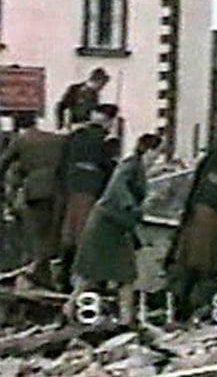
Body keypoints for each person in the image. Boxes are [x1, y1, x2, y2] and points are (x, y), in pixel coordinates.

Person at [64, 134, 161, 327]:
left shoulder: (137, 167)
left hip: (115, 226)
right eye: (157, 152)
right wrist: (133, 207)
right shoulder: (130, 166)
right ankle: (71, 307)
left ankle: (125, 318)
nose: (157, 156)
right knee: (95, 272)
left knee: (123, 274)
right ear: (148, 150)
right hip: (107, 226)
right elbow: (119, 187)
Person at [168, 117, 217, 320]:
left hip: (200, 206)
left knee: (192, 263)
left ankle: (182, 308)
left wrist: (187, 210)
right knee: (211, 266)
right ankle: (198, 310)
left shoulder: (216, 149)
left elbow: (198, 177)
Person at [56, 103, 119, 291]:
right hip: (91, 192)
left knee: (70, 235)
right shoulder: (105, 142)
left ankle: (64, 277)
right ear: (108, 122)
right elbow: (108, 170)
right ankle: (91, 281)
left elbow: (62, 164)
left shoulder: (75, 137)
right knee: (89, 237)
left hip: (71, 189)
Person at [0, 113, 65, 287]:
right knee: (53, 233)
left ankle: (37, 273)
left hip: (36, 190)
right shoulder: (56, 139)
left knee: (36, 233)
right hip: (59, 190)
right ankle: (48, 275)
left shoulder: (22, 140)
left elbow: (3, 164)